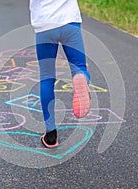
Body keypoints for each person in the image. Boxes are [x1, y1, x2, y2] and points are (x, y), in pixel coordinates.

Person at [29, 0, 91, 148]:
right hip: (70, 21)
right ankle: (80, 78)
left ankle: (50, 134)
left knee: (47, 78)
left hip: (44, 25)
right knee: (79, 67)